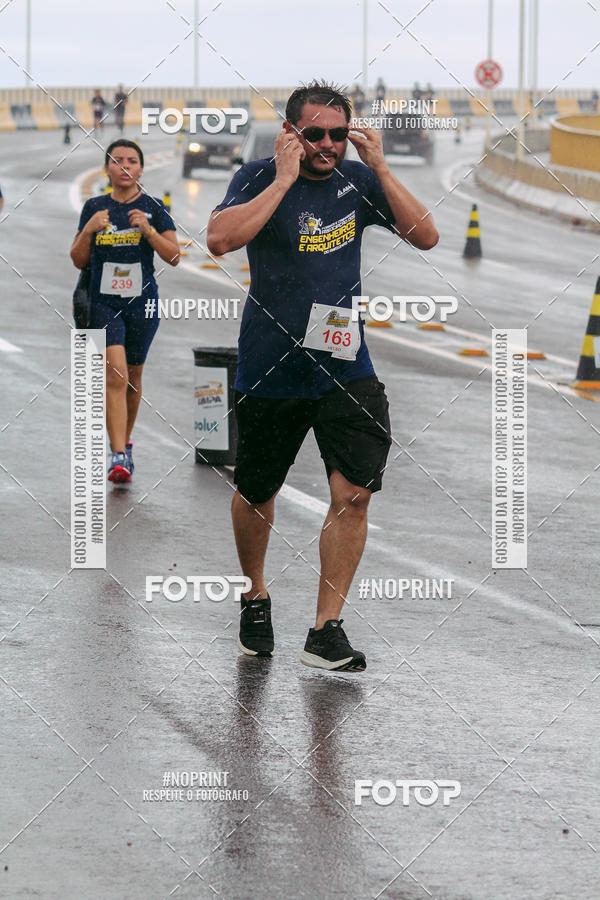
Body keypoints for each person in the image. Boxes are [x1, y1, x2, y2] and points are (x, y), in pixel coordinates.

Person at [207, 81, 438, 671]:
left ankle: (325, 628)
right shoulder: (259, 177)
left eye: (339, 133)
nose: (329, 144)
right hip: (270, 366)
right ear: (291, 133)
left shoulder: (358, 183)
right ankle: (255, 593)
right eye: (315, 134)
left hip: (343, 366)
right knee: (257, 492)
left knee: (353, 493)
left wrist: (381, 167)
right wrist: (284, 180)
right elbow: (219, 241)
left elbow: (426, 236)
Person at [70, 139, 179, 483]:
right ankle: (117, 456)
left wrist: (148, 231)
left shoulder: (154, 207)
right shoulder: (94, 207)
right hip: (102, 302)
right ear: (107, 169)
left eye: (132, 161)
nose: (125, 166)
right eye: (117, 161)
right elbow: (77, 259)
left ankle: (125, 443)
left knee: (133, 377)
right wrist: (89, 230)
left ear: (141, 169)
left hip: (142, 303)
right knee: (114, 372)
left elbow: (174, 256)